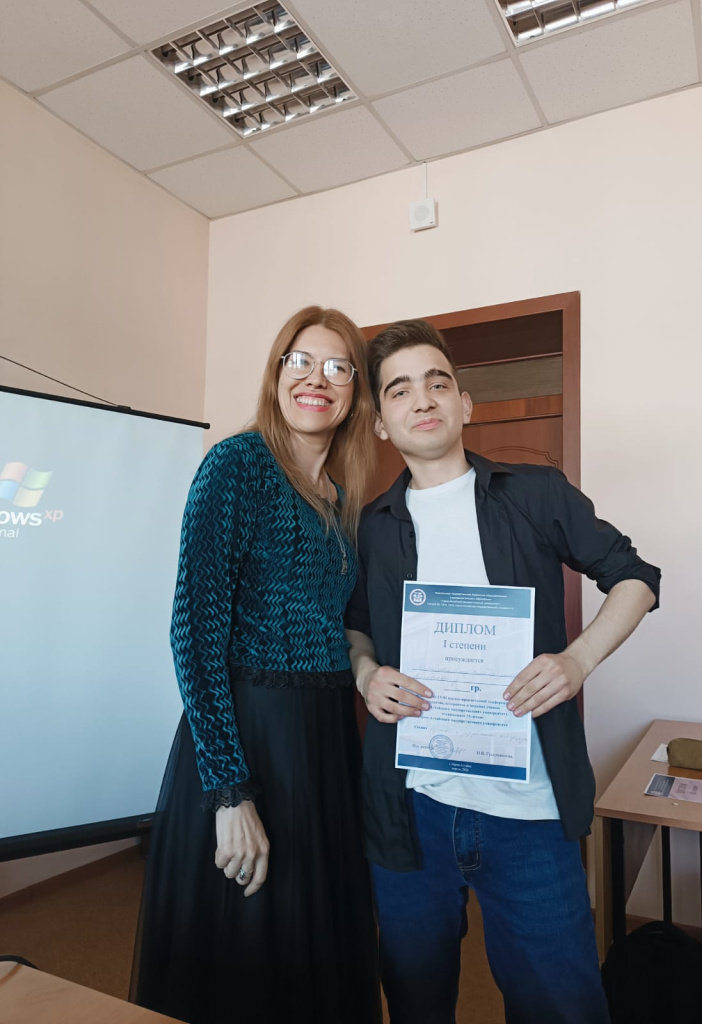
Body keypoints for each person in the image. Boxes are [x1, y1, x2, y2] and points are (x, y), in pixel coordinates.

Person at [345, 319, 661, 1024]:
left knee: (563, 1006)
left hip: (529, 812)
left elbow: (637, 577)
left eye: (437, 382)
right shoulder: (370, 526)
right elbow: (354, 624)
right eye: (400, 389)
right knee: (415, 1000)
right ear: (382, 424)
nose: (422, 398)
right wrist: (365, 673)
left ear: (464, 403)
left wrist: (578, 659)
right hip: (411, 807)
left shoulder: (536, 493)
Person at [132, 307, 382, 1024]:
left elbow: (341, 628)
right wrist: (228, 793)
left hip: (325, 741)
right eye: (299, 361)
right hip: (248, 739)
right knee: (249, 948)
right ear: (276, 376)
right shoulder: (237, 465)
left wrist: (369, 673)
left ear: (354, 392)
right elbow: (193, 632)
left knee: (314, 943)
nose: (316, 379)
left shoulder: (343, 497)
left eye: (337, 367)